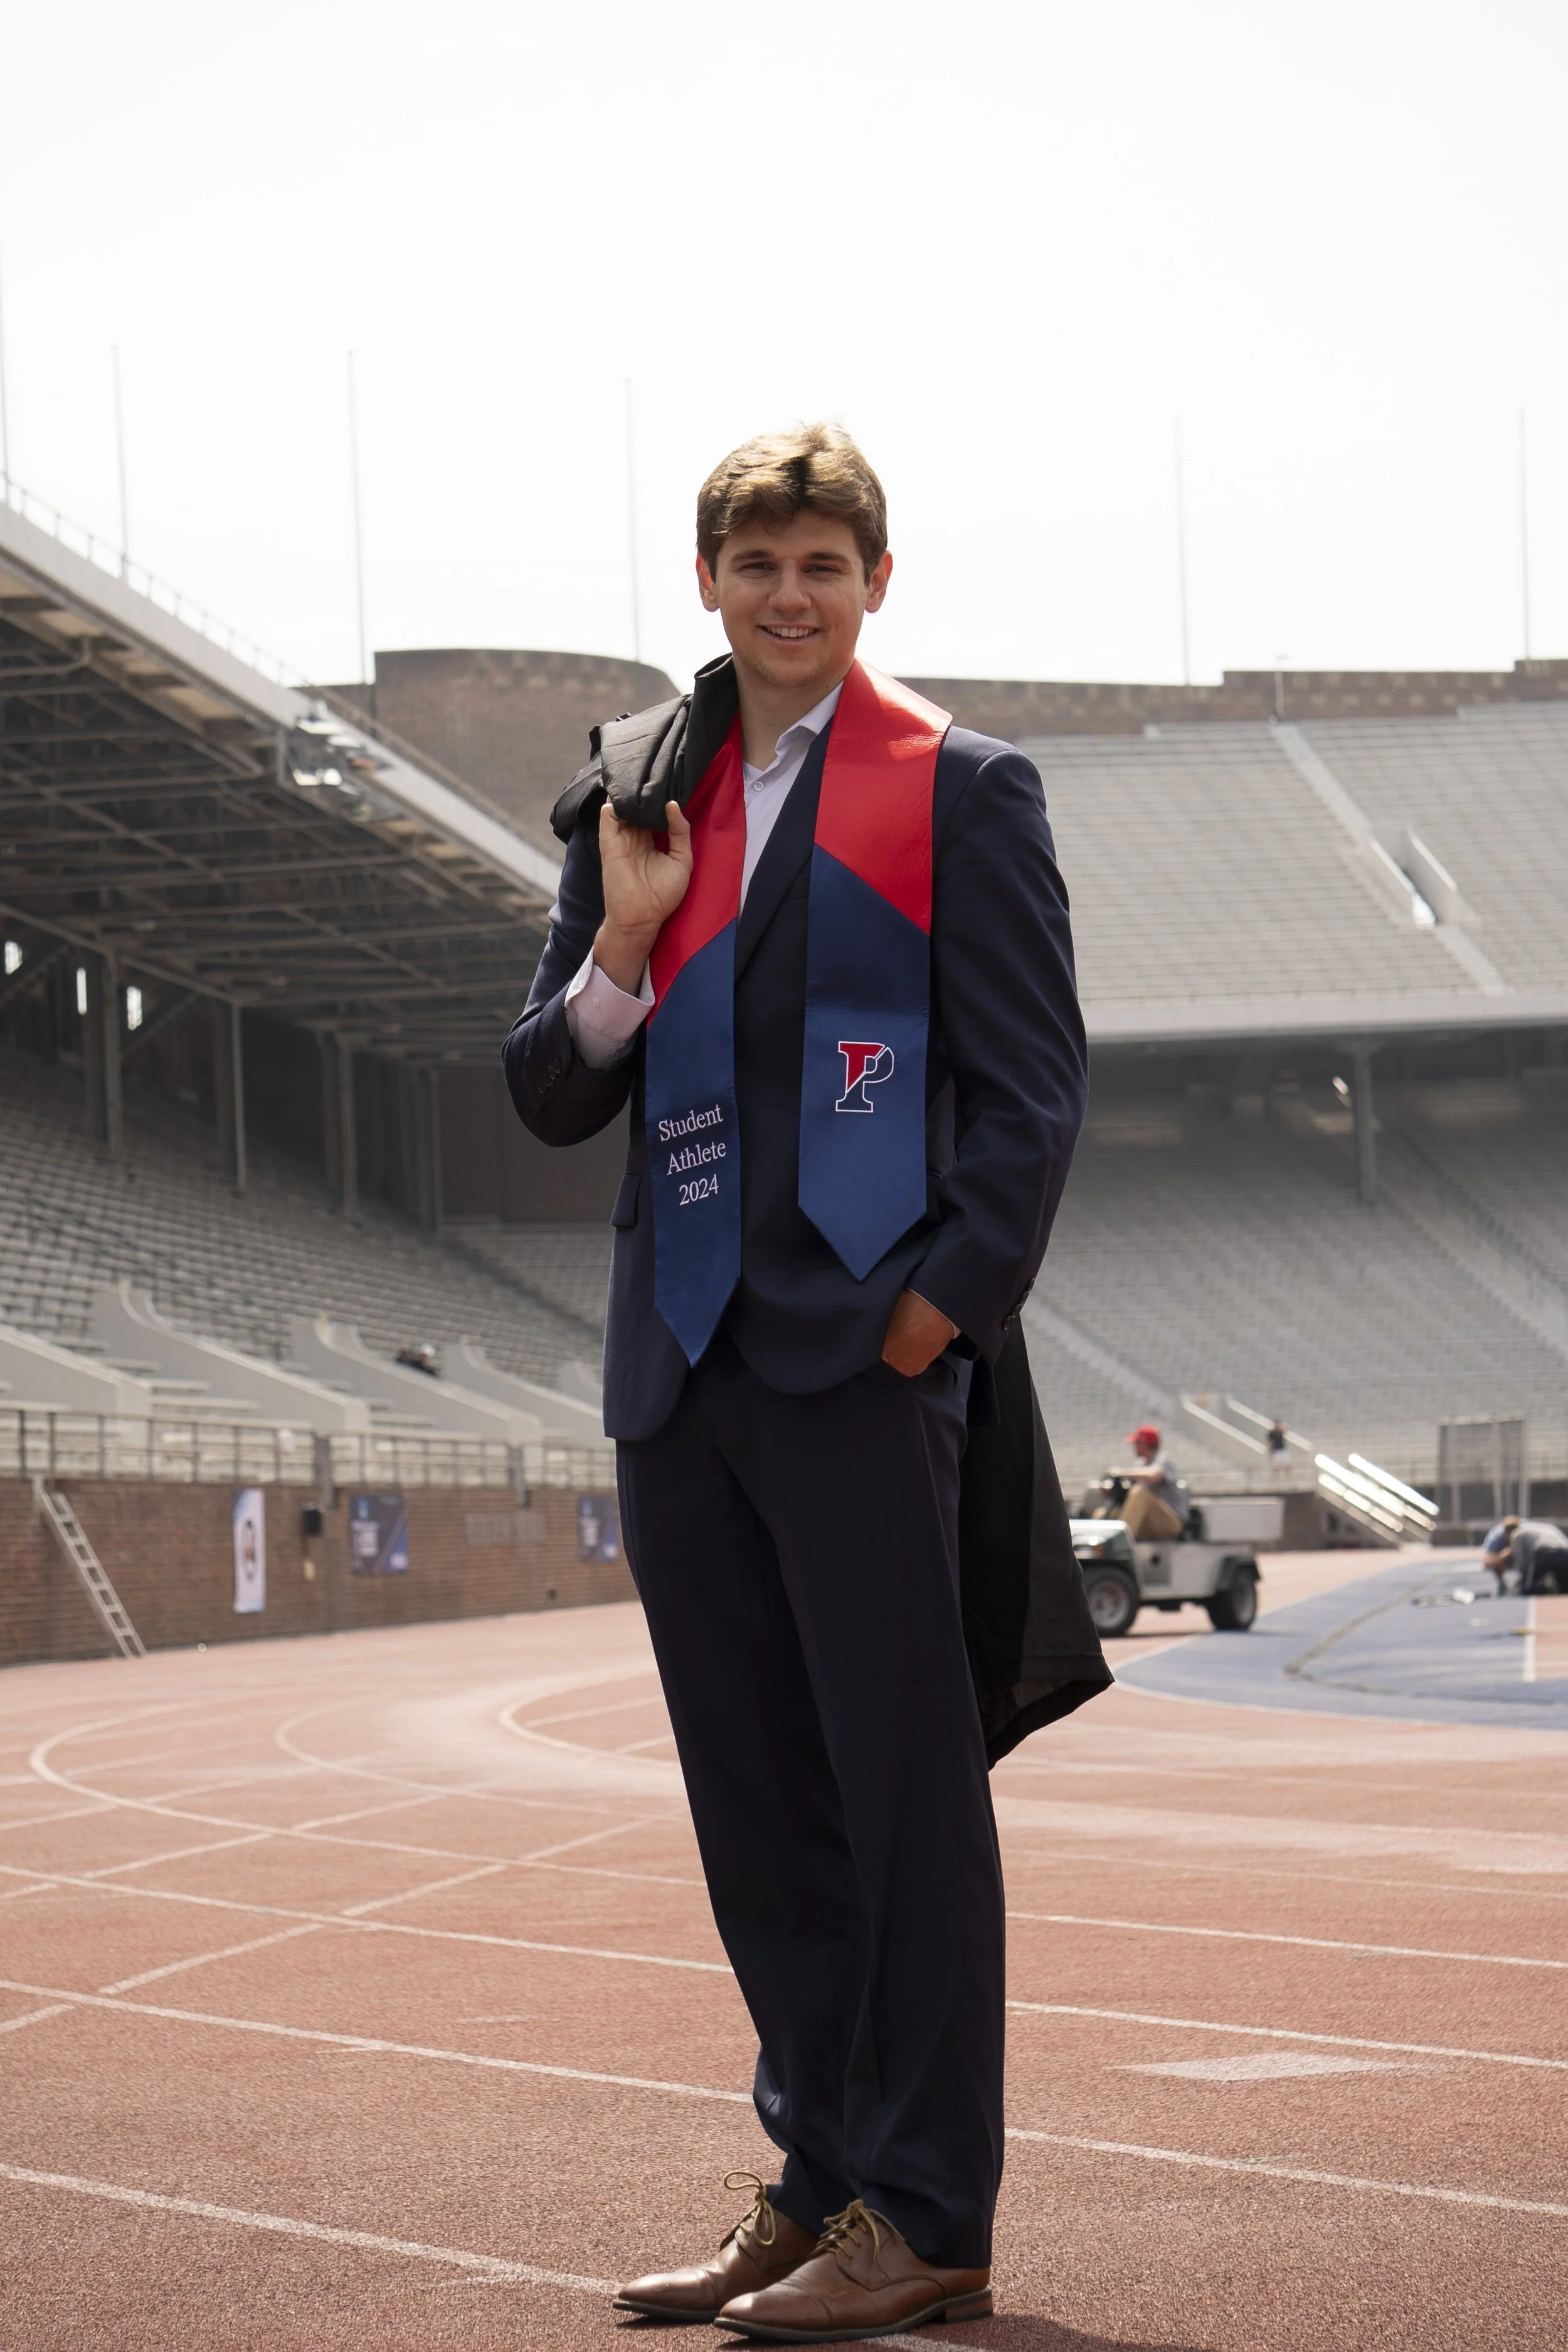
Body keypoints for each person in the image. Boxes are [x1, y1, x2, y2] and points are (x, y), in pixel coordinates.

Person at [501, 422, 1105, 2343]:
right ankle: (819, 2175)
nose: (784, 596)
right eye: (753, 565)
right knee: (756, 1805)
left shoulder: (957, 791)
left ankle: (928, 2208)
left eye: (819, 566)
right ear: (706, 582)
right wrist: (614, 932)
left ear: (871, 584)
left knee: (900, 1793)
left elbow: (1027, 1099)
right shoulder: (633, 789)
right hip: (678, 1370)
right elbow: (545, 1084)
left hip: (859, 1362)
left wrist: (930, 1317)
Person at [1099, 1423, 1186, 1540]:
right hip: (1149, 1523)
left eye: (1137, 1443)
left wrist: (1121, 1472)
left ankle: (1121, 1542)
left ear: (1145, 1444)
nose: (1134, 1447)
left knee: (1139, 1493)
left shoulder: (1162, 1459)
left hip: (1170, 1522)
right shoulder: (1141, 1464)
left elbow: (1155, 1475)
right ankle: (1101, 1546)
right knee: (1104, 1513)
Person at [1481, 1515, 1568, 1595]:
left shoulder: (1517, 1534)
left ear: (1508, 1533)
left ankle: (1547, 1590)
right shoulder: (1535, 1527)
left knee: (1529, 1589)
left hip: (1545, 1552)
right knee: (1564, 1588)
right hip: (1565, 1552)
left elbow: (1522, 1563)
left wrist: (1520, 1583)